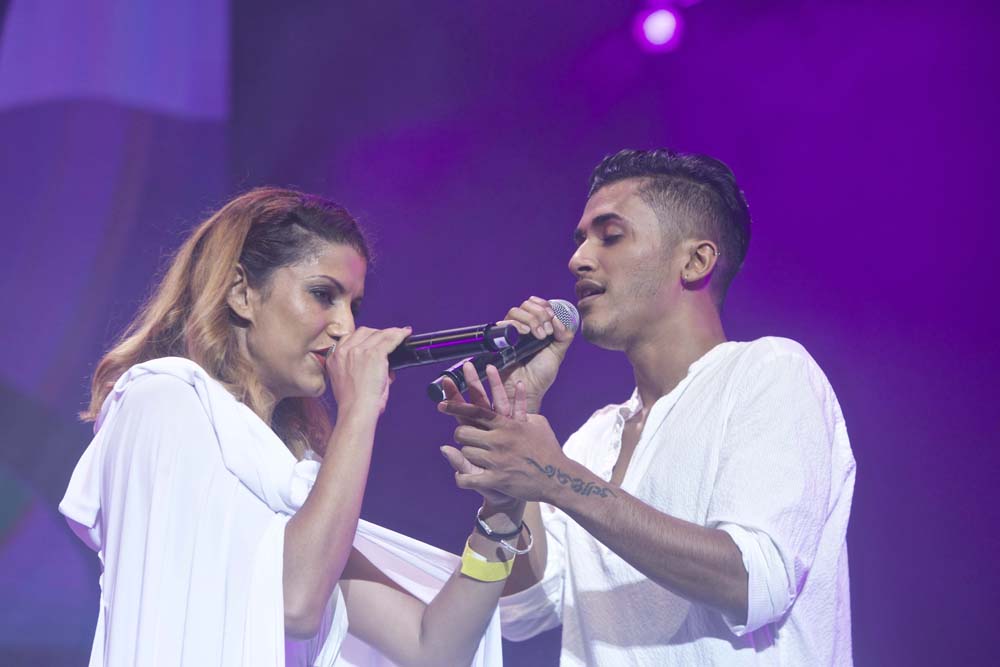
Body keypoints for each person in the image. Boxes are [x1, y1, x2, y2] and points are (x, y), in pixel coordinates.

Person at [59, 187, 526, 666]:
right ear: (242, 293)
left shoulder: (288, 476)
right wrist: (359, 412)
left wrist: (502, 514)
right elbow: (296, 604)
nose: (345, 327)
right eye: (323, 295)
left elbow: (432, 648)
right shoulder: (164, 400)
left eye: (354, 307)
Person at [439, 149, 856, 665]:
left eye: (610, 236)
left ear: (696, 261)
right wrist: (511, 485)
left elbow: (754, 580)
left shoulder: (769, 371)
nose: (578, 260)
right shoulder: (593, 439)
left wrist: (554, 476)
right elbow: (521, 613)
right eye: (580, 240)